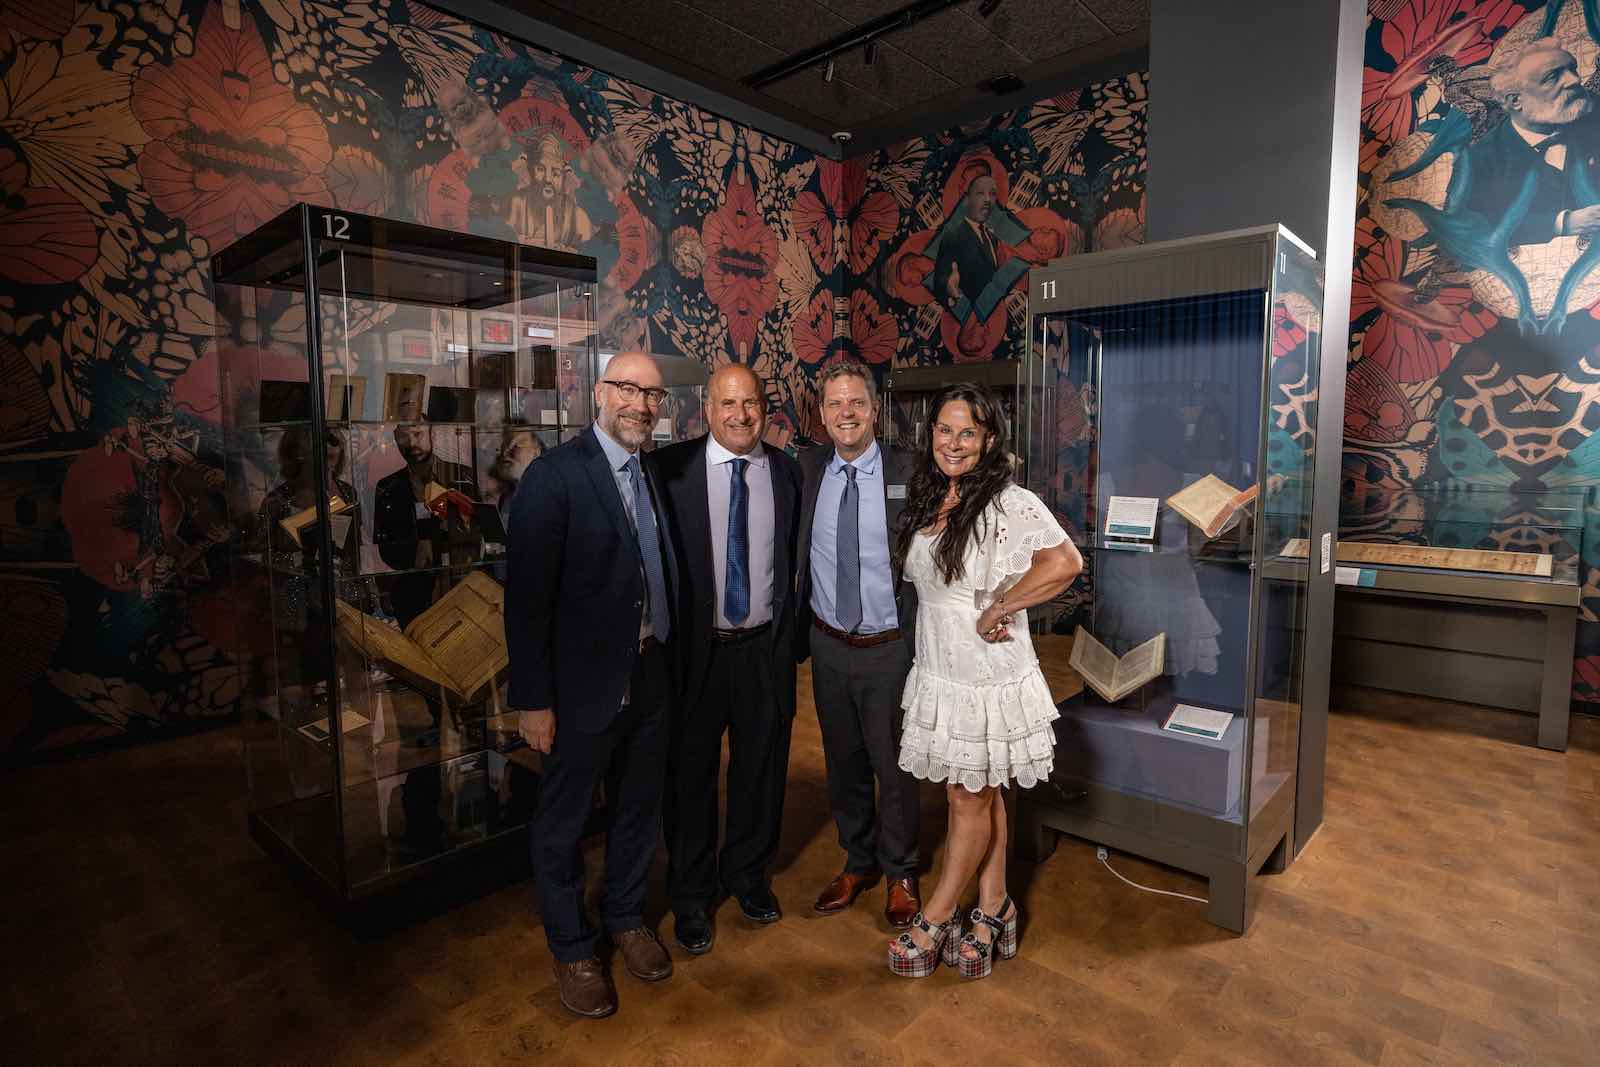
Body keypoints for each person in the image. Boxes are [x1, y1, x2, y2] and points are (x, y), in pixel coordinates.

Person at [885, 382, 1082, 980]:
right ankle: (995, 907)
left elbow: (1065, 562)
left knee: (965, 798)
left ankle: (938, 914)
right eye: (944, 430)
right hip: (943, 667)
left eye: (967, 432)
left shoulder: (1008, 500)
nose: (953, 442)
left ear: (989, 438)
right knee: (984, 789)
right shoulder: (931, 493)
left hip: (985, 672)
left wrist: (1001, 607)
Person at [506, 352, 679, 1019]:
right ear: (600, 392)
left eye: (653, 393)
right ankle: (573, 945)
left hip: (650, 671)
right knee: (564, 823)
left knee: (639, 807)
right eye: (629, 388)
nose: (641, 402)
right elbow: (525, 601)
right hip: (578, 688)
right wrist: (534, 700)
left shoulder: (651, 470)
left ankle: (626, 915)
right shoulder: (555, 476)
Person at [654, 364, 802, 956]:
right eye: (728, 404)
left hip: (763, 650)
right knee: (688, 777)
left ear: (765, 408)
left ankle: (747, 875)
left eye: (752, 404)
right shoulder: (669, 472)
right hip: (696, 655)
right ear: (706, 411)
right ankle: (691, 894)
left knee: (760, 770)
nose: (741, 415)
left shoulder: (787, 474)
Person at [796, 362, 923, 928]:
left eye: (856, 403)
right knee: (843, 761)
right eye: (834, 404)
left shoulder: (912, 471)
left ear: (874, 409)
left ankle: (901, 870)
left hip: (889, 647)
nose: (845, 413)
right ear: (821, 414)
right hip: (828, 645)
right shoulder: (805, 470)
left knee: (893, 765)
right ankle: (858, 860)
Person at [1462, 37, 1600, 246]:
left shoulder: (1594, 111)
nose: (1574, 80)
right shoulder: (1480, 159)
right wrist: (1564, 223)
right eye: (1552, 77)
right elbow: (1472, 227)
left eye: (1572, 68)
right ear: (1516, 101)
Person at [934, 175, 1003, 312]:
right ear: (967, 199)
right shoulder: (953, 236)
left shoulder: (992, 238)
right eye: (980, 193)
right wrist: (948, 287)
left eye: (992, 194)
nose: (988, 200)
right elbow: (940, 280)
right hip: (972, 323)